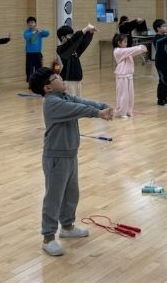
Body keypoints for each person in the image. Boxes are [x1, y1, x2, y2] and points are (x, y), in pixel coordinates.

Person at [29, 67, 113, 256]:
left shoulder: (65, 96)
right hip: (56, 157)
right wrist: (98, 113)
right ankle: (48, 238)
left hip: (69, 154)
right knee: (54, 197)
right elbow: (78, 109)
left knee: (71, 193)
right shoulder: (52, 102)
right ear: (48, 88)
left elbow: (83, 102)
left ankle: (67, 227)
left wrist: (102, 106)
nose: (60, 77)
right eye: (55, 77)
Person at [112, 33, 147, 118]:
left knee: (130, 95)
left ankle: (128, 111)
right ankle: (120, 112)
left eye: (126, 42)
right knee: (123, 95)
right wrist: (141, 47)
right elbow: (132, 50)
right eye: (124, 42)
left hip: (129, 75)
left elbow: (133, 52)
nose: (126, 43)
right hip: (122, 76)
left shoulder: (125, 51)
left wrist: (141, 49)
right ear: (119, 43)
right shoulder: (118, 51)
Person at [56, 24, 96, 97]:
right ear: (63, 38)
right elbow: (74, 39)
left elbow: (83, 44)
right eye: (70, 35)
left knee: (78, 102)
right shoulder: (61, 49)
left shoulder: (74, 50)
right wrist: (85, 28)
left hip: (77, 80)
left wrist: (90, 33)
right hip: (68, 82)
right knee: (70, 102)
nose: (72, 37)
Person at [23, 16, 50, 82]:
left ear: (35, 23)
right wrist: (35, 32)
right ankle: (30, 84)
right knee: (29, 70)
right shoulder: (26, 32)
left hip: (38, 54)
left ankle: (38, 83)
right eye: (29, 23)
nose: (31, 24)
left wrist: (41, 31)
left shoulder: (39, 32)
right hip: (30, 54)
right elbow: (29, 38)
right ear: (27, 24)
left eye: (32, 22)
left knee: (39, 70)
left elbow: (47, 33)